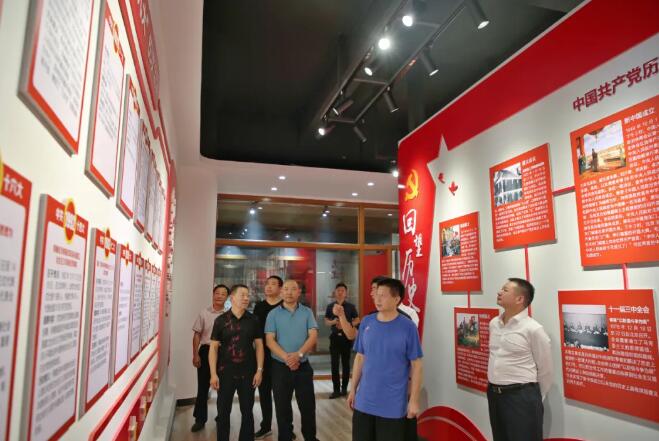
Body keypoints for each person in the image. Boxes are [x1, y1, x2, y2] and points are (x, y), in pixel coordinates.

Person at [348, 278, 423, 441]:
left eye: (383, 295)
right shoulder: (367, 322)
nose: (377, 299)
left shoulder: (408, 327)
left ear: (396, 299)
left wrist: (414, 400)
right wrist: (353, 389)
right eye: (376, 294)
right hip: (364, 402)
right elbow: (360, 357)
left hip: (393, 405)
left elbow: (416, 365)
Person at [487, 278, 552, 441]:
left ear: (519, 299)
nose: (499, 292)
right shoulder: (494, 323)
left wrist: (532, 397)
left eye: (505, 290)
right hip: (494, 395)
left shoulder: (533, 329)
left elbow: (545, 370)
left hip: (522, 397)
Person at [265, 279, 319, 441]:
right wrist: (287, 358)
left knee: (308, 406)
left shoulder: (307, 312)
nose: (289, 292)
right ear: (281, 292)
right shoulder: (273, 314)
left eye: (293, 289)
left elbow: (313, 336)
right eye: (286, 289)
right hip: (280, 367)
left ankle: (310, 437)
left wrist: (298, 355)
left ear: (299, 292)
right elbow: (269, 340)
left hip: (303, 366)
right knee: (282, 406)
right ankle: (285, 436)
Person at [209, 284, 265, 441]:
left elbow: (259, 346)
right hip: (225, 373)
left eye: (248, 295)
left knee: (247, 411)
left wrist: (259, 370)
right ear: (232, 298)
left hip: (248, 373)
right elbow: (213, 348)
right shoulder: (220, 320)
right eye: (242, 295)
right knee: (223, 412)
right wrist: (213, 374)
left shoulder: (253, 320)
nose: (246, 298)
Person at [190, 284, 229, 432]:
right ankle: (200, 419)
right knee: (202, 387)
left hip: (224, 352)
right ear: (213, 295)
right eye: (217, 293)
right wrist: (195, 354)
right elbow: (197, 334)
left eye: (223, 294)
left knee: (223, 388)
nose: (219, 296)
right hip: (206, 351)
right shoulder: (204, 313)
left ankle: (221, 418)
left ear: (227, 297)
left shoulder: (230, 314)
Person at [253, 275, 284, 439]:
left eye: (273, 284)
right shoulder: (259, 306)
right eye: (267, 284)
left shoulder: (284, 305)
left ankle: (286, 428)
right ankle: (266, 426)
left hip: (281, 355)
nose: (269, 286)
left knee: (282, 394)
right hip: (263, 355)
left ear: (280, 288)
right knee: (264, 393)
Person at [324, 283, 360, 398]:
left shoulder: (350, 306)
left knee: (346, 364)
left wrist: (346, 324)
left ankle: (344, 389)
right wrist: (333, 322)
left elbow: (357, 320)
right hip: (334, 338)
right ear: (335, 292)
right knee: (334, 364)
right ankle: (336, 390)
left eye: (342, 290)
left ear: (346, 293)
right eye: (338, 290)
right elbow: (326, 321)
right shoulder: (330, 306)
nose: (340, 292)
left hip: (346, 338)